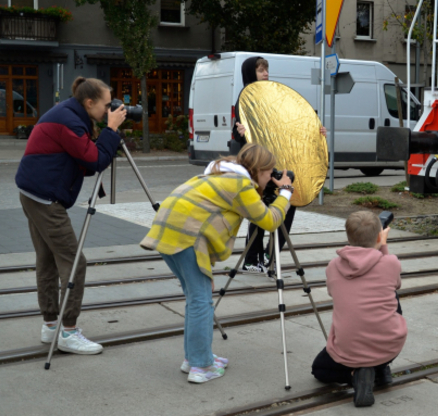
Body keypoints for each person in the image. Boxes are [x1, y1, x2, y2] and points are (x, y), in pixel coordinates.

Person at [141, 143, 293, 384]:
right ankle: (201, 366)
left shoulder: (219, 173)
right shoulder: (241, 185)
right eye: (269, 173)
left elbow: (205, 217)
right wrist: (285, 192)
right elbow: (270, 220)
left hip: (166, 231)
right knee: (201, 301)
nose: (269, 179)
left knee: (196, 297)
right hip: (186, 237)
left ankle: (194, 358)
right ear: (260, 170)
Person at [16, 77, 127, 354]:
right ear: (89, 102)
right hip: (45, 197)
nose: (108, 110)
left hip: (33, 192)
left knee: (47, 260)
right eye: (106, 105)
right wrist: (111, 131)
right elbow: (94, 161)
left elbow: (85, 161)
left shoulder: (71, 114)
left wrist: (105, 134)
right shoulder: (70, 121)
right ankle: (68, 330)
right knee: (75, 262)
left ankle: (51, 325)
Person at [228, 56, 326, 274]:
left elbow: (288, 127)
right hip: (257, 169)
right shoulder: (245, 100)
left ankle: (270, 256)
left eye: (266, 69)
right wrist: (239, 132)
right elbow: (239, 134)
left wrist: (315, 131)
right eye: (261, 70)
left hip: (275, 165)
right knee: (260, 212)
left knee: (287, 205)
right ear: (250, 73)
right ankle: (253, 259)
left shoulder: (272, 97)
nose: (266, 73)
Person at [311, 211, 407, 407]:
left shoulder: (333, 266)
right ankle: (379, 368)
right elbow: (393, 282)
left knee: (319, 370)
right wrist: (383, 246)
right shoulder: (391, 263)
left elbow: (333, 292)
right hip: (389, 345)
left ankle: (358, 374)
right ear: (379, 236)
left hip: (349, 350)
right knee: (390, 295)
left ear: (348, 237)